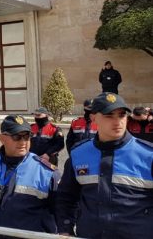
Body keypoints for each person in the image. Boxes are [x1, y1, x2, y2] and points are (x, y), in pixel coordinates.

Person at [55, 92, 153, 237]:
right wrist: (65, 229)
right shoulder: (79, 154)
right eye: (109, 116)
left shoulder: (148, 155)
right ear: (93, 117)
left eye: (121, 115)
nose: (117, 121)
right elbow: (66, 197)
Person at [0, 115, 57, 238]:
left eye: (27, 136)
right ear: (2, 138)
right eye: (16, 137)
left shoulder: (46, 172)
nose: (22, 142)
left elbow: (58, 209)